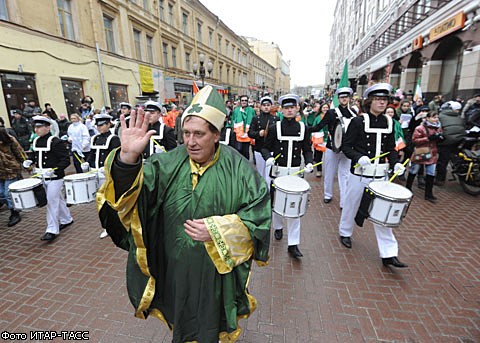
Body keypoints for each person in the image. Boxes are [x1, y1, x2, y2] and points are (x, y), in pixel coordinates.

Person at [96, 85, 271, 342]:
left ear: (216, 135)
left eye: (199, 134)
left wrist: (217, 230)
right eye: (186, 133)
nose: (190, 141)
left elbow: (259, 218)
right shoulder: (166, 163)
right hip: (174, 265)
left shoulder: (240, 170)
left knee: (211, 321)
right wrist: (127, 159)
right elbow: (133, 199)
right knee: (181, 316)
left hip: (214, 270)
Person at [339, 83, 408, 268]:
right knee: (351, 204)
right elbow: (346, 146)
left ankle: (389, 254)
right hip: (360, 173)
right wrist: (358, 157)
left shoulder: (389, 122)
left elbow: (390, 148)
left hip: (380, 176)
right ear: (369, 101)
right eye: (378, 99)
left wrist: (396, 164)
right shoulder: (358, 122)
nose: (382, 103)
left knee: (382, 213)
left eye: (384, 99)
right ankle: (345, 232)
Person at [262, 93, 313, 258]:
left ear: (298, 108)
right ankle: (278, 227)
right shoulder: (274, 127)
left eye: (292, 107)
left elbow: (306, 149)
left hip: (296, 173)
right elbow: (264, 147)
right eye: (286, 108)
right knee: (277, 205)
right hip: (278, 172)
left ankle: (293, 244)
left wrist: (310, 161)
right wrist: (268, 157)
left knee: (295, 207)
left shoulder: (303, 128)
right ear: (281, 110)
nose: (290, 111)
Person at [22, 116, 73, 241]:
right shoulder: (36, 141)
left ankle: (52, 229)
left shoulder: (56, 142)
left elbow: (65, 160)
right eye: (36, 127)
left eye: (39, 127)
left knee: (51, 201)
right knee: (57, 199)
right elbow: (35, 156)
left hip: (55, 177)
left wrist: (54, 170)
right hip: (40, 176)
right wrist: (29, 161)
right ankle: (67, 219)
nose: (37, 129)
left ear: (48, 127)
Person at [310, 87, 356, 207]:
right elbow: (320, 126)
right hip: (332, 147)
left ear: (349, 98)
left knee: (345, 175)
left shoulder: (354, 113)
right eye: (342, 97)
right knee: (329, 172)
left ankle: (344, 200)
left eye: (346, 97)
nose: (344, 99)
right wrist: (305, 129)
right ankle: (328, 194)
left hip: (347, 149)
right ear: (338, 98)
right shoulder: (331, 113)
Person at [81, 113, 121, 239]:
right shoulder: (94, 138)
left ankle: (114, 225)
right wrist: (87, 162)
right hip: (95, 171)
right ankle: (107, 225)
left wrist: (110, 169)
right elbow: (92, 154)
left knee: (110, 200)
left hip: (107, 173)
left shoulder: (114, 139)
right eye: (98, 125)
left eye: (102, 125)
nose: (99, 128)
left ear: (108, 124)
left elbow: (116, 156)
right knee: (100, 201)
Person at [406, 111, 444, 202]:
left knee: (431, 174)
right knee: (413, 171)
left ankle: (429, 194)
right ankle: (408, 188)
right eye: (434, 117)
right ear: (427, 118)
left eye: (437, 117)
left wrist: (440, 139)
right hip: (421, 152)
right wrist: (428, 138)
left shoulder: (438, 128)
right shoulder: (420, 128)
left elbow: (439, 138)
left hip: (432, 153)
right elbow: (415, 140)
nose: (436, 119)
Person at [248, 96, 280, 187]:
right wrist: (259, 133)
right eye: (264, 105)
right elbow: (250, 133)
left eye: (268, 105)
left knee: (270, 174)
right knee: (260, 173)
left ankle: (269, 192)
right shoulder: (256, 118)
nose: (266, 107)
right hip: (259, 149)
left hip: (271, 150)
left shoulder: (276, 119)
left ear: (271, 106)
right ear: (261, 106)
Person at [436, 101, 466, 186]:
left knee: (443, 160)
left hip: (447, 140)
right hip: (460, 139)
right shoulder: (458, 116)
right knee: (457, 156)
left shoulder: (440, 116)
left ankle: (440, 179)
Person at [0, 127, 25, 227]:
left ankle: (15, 212)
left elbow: (19, 152)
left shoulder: (10, 140)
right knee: (1, 194)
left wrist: (26, 164)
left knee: (8, 194)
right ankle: (15, 205)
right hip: (0, 172)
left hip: (11, 170)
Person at [232, 95, 255, 159]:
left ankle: (246, 166)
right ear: (240, 101)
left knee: (246, 152)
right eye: (242, 100)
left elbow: (254, 121)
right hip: (238, 136)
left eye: (245, 100)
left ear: (247, 102)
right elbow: (233, 121)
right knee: (238, 151)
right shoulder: (236, 110)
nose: (244, 102)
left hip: (247, 135)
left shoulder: (251, 110)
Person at [310, 102, 329, 177]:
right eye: (324, 107)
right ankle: (319, 170)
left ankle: (329, 171)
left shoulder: (332, 117)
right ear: (321, 109)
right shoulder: (318, 117)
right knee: (318, 156)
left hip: (328, 139)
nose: (325, 109)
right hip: (319, 139)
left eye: (327, 107)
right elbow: (314, 127)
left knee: (329, 157)